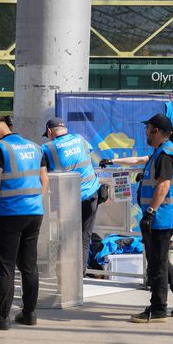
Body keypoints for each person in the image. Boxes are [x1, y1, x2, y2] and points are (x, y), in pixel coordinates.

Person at [100, 114, 173, 323]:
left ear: (156, 131)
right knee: (158, 260)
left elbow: (163, 185)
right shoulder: (162, 152)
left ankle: (158, 309)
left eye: (148, 129)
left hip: (161, 217)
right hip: (164, 216)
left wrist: (150, 212)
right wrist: (112, 161)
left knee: (156, 265)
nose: (145, 132)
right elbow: (139, 160)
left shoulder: (165, 154)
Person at [0, 115, 48, 331]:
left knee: (5, 267)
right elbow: (44, 179)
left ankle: (2, 316)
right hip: (34, 212)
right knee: (29, 266)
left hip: (9, 213)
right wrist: (35, 201)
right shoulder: (35, 147)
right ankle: (29, 313)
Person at [41, 117, 101, 276]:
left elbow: (43, 174)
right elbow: (86, 155)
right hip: (91, 194)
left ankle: (63, 276)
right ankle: (78, 277)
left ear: (49, 131)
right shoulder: (80, 139)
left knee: (65, 237)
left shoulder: (47, 148)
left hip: (68, 199)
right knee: (84, 237)